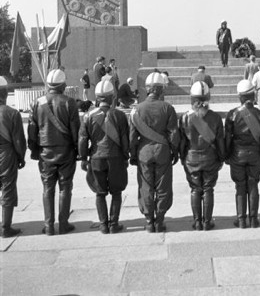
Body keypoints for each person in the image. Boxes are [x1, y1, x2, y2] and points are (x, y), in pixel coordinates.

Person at [28, 69, 80, 235]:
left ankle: (49, 226)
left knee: (47, 188)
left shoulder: (37, 102)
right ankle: (63, 224)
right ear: (63, 85)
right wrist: (78, 149)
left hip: (45, 151)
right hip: (66, 151)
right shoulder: (69, 102)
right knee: (65, 187)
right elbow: (75, 130)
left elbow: (32, 130)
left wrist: (34, 150)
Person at [129, 72, 180, 233]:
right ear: (159, 90)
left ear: (148, 89)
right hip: (163, 152)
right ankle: (160, 219)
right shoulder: (168, 108)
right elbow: (174, 134)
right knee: (163, 187)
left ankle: (149, 220)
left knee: (146, 186)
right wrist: (175, 151)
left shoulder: (137, 109)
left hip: (143, 153)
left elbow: (132, 136)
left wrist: (132, 154)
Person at [79, 79, 130, 234]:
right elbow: (125, 140)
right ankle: (114, 224)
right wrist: (126, 157)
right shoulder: (120, 116)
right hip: (115, 158)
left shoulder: (88, 116)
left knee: (100, 193)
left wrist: (83, 158)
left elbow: (82, 139)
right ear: (111, 97)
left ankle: (103, 225)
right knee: (116, 191)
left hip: (96, 158)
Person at [179, 82, 225, 231]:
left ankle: (197, 222)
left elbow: (181, 142)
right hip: (210, 158)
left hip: (191, 159)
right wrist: (222, 157)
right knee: (208, 189)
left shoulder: (185, 118)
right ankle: (207, 221)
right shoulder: (216, 118)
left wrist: (182, 157)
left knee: (195, 189)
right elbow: (220, 141)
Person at [225, 80, 260, 228]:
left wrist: (226, 155)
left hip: (238, 154)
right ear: (253, 94)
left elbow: (227, 139)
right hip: (255, 154)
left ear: (240, 97)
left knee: (240, 186)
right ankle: (254, 219)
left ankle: (241, 220)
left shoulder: (232, 115)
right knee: (253, 184)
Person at [0, 77, 26, 238]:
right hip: (6, 154)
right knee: (8, 188)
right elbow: (18, 140)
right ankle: (5, 228)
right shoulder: (12, 113)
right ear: (4, 94)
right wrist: (21, 157)